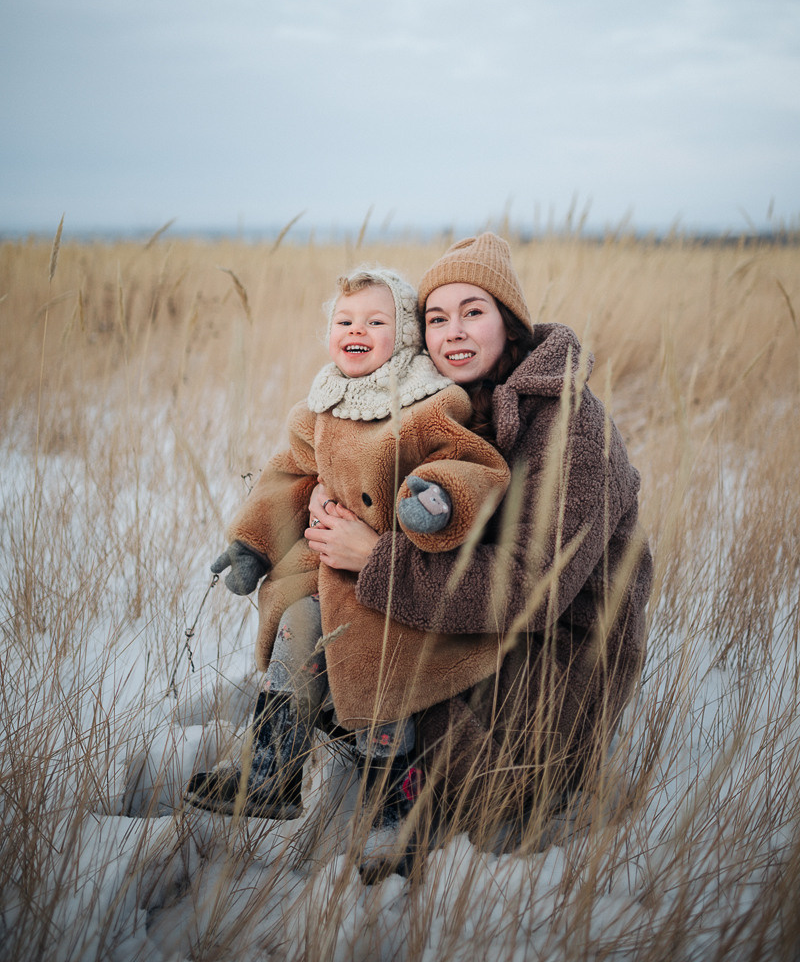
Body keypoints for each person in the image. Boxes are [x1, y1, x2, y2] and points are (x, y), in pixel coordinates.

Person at [305, 233, 652, 867]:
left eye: (473, 312)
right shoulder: (461, 404)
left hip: (552, 676)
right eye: (437, 318)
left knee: (380, 650)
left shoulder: (571, 426)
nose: (454, 332)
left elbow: (531, 589)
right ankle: (324, 738)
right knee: (326, 607)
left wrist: (377, 558)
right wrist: (329, 503)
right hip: (481, 630)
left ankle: (420, 792)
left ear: (509, 323)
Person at [184, 266, 510, 873]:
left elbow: (470, 461)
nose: (356, 330)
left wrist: (438, 498)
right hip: (326, 570)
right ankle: (272, 768)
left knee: (380, 676)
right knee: (297, 628)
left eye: (375, 321)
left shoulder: (431, 402)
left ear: (405, 336)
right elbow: (287, 478)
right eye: (344, 320)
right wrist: (252, 545)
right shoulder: (319, 407)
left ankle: (394, 805)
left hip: (395, 572)